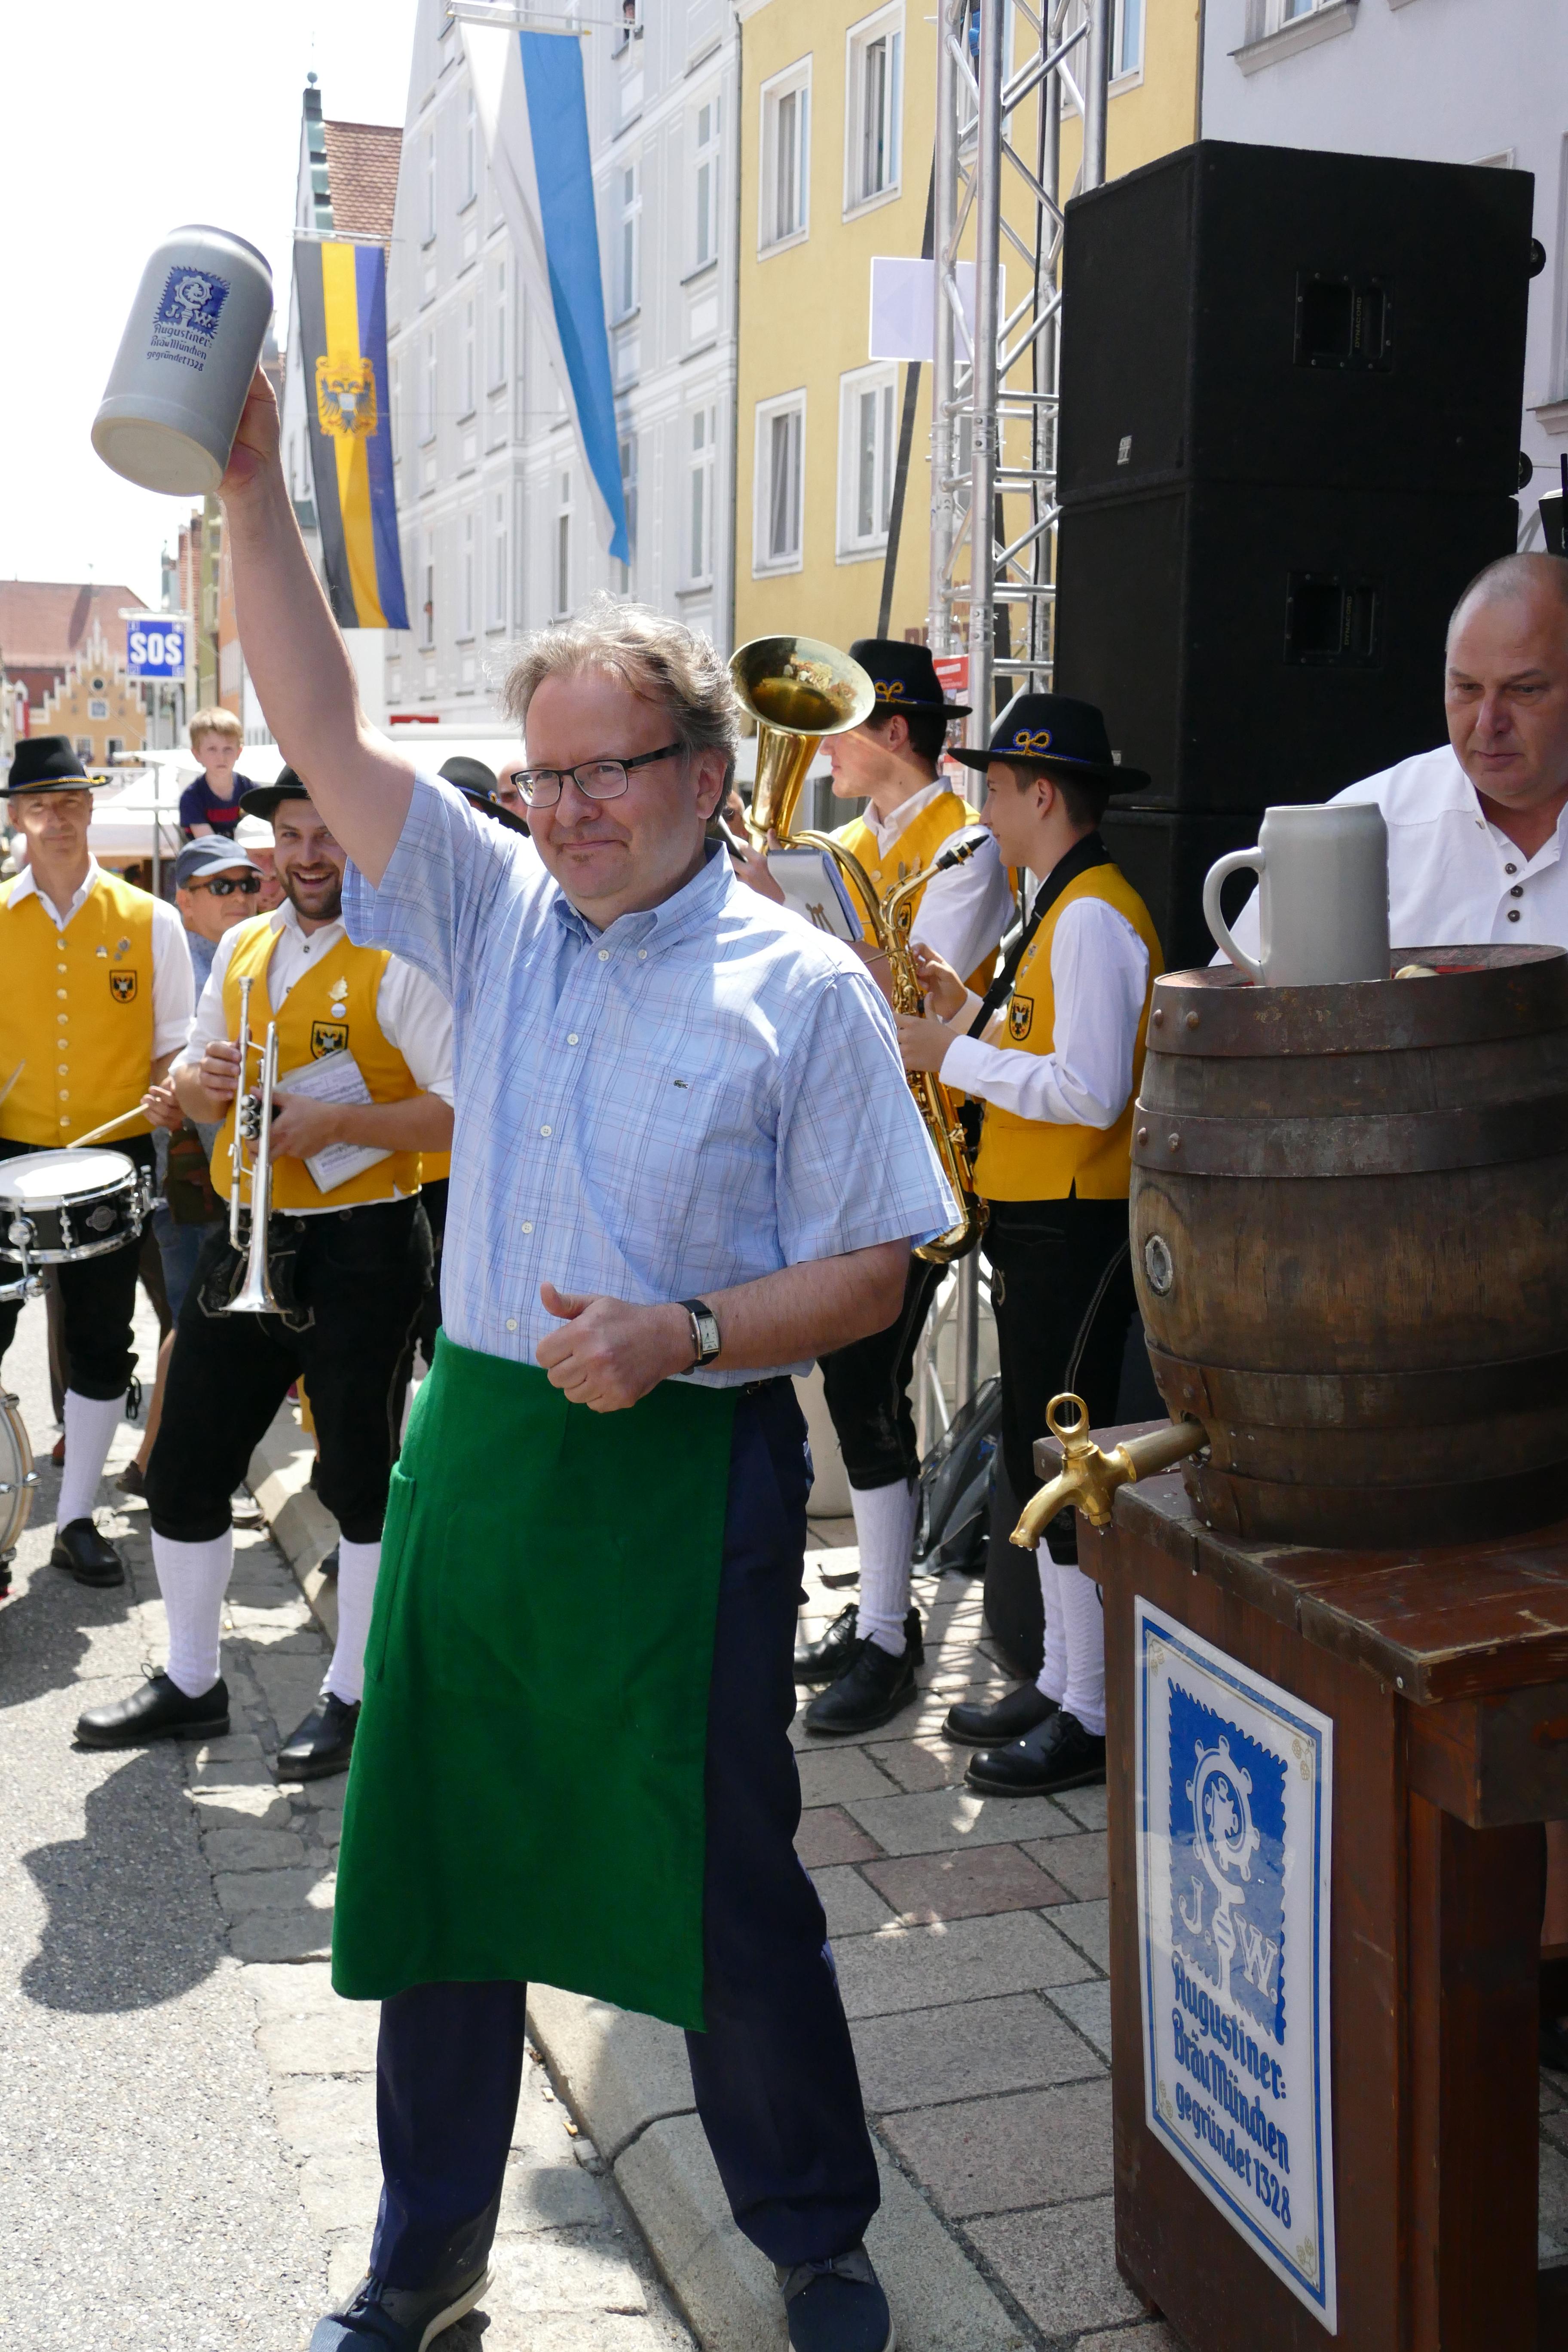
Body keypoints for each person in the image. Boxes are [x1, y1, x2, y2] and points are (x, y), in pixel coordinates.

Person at [205, 364, 956, 2352]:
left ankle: (811, 2235)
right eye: (538, 774)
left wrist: (687, 1329)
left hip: (680, 1470)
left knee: (719, 1878)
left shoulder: (798, 984)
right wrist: (255, 498)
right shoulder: (498, 907)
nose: (562, 808)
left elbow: (875, 1271)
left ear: (706, 771)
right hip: (489, 1457)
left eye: (600, 770)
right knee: (446, 1865)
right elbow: (319, 725)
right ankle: (428, 2251)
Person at [1218, 549, 1568, 2060]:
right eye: (1460, 689)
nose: (1482, 724)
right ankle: (1460, 1973)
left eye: (1524, 690)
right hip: (1421, 1326)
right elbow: (1257, 1045)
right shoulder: (1362, 821)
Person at [74, 772, 456, 1785]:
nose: (310, 853)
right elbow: (203, 1071)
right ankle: (192, 1680)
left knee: (359, 1483)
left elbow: (465, 1112)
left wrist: (346, 1122)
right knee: (187, 1463)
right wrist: (188, 1090)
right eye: (292, 834)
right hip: (253, 1239)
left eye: (329, 833)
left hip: (365, 1244)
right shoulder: (243, 943)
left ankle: (355, 1692)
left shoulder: (402, 955)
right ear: (271, 845)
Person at [897, 693, 1163, 1797]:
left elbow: (1094, 1090)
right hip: (1041, 1219)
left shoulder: (1093, 913)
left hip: (1077, 1222)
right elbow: (1044, 1046)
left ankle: (1089, 1710)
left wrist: (945, 1054)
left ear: (1043, 793)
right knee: (1037, 1457)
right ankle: (1064, 1682)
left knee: (1068, 1466)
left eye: (997, 787)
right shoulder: (1059, 908)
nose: (986, 806)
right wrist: (966, 1014)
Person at [761, 640, 1013, 1738]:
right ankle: (875, 1613)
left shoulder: (963, 849)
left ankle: (889, 1633)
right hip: (838, 1141)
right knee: (854, 1390)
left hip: (917, 1151)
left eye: (841, 725)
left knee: (869, 1386)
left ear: (893, 731)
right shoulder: (854, 842)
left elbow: (900, 995)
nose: (824, 749)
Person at [0, 736, 195, 1585]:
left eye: (73, 802)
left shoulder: (151, 920)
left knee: (102, 1341)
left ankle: (75, 1517)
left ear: (91, 809)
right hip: (8, 1152)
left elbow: (175, 1047)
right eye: (41, 805)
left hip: (110, 1159)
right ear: (16, 817)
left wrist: (169, 1092)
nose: (59, 819)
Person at [118, 837, 267, 1496]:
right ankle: (164, 1469)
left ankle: (161, 1466)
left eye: (246, 883)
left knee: (203, 1329)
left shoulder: (254, 953)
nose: (240, 895)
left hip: (229, 1177)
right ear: (184, 899)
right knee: (198, 1328)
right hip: (193, 1178)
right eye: (221, 886)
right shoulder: (188, 961)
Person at [178, 705, 251, 840]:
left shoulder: (252, 792)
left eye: (228, 749)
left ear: (239, 752)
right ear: (197, 754)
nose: (221, 758)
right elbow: (212, 846)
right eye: (212, 749)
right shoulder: (192, 798)